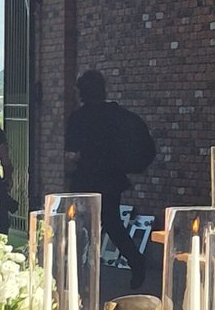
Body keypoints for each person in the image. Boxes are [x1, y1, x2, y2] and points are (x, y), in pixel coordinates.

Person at [66, 68, 156, 281]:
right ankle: (135, 260)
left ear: (82, 93)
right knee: (112, 222)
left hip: (86, 179)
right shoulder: (119, 116)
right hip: (111, 179)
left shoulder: (79, 118)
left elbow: (72, 155)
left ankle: (80, 271)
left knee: (81, 225)